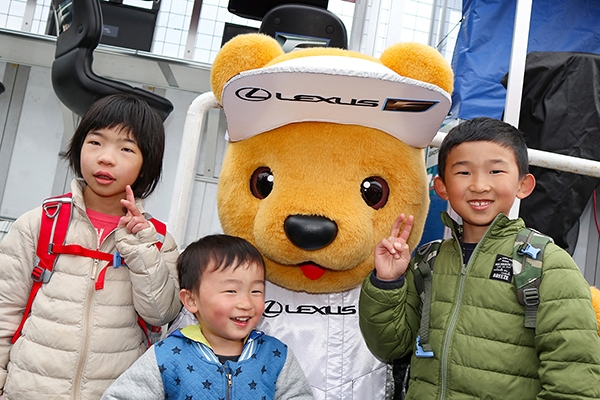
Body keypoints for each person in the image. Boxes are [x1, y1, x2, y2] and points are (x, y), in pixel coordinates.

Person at [359, 117, 600, 399]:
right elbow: (390, 348)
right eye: (463, 173)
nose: (479, 185)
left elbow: (574, 384)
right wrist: (387, 283)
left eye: (496, 171)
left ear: (524, 184)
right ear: (442, 187)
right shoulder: (427, 261)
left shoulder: (547, 264)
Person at [0, 94, 181, 399]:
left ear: (146, 163)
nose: (106, 158)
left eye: (126, 148)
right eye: (95, 142)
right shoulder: (39, 223)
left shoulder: (157, 240)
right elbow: (5, 312)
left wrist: (139, 249)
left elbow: (160, 313)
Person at [101, 234, 314, 400]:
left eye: (256, 291)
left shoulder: (276, 355)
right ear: (191, 300)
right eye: (231, 291)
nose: (246, 303)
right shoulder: (167, 355)